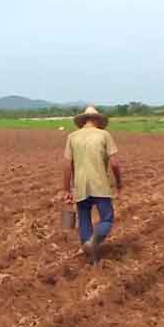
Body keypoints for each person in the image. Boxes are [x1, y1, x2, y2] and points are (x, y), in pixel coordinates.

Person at [63, 106, 122, 267]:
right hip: (100, 184)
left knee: (84, 220)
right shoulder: (104, 135)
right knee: (107, 219)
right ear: (97, 120)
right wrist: (119, 184)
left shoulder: (72, 137)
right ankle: (94, 240)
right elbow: (115, 164)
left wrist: (66, 190)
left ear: (83, 120)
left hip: (80, 185)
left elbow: (67, 166)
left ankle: (91, 257)